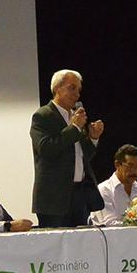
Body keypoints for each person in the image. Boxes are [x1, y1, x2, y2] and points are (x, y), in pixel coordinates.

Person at [30, 69, 104, 228]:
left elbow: (80, 156)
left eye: (79, 90)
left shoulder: (75, 116)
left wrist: (93, 138)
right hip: (54, 199)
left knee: (81, 241)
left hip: (79, 195)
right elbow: (46, 148)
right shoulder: (43, 116)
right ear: (57, 88)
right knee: (56, 242)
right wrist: (75, 128)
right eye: (72, 88)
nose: (77, 94)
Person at [91, 144, 137, 226]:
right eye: (130, 166)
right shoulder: (103, 190)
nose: (134, 171)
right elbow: (108, 225)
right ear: (117, 165)